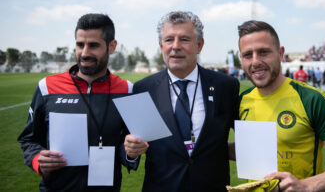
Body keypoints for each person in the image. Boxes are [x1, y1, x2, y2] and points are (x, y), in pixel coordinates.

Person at [17, 14, 148, 191]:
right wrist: (36, 159)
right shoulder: (47, 87)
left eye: (93, 45)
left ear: (111, 46)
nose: (85, 53)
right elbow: (29, 138)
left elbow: (130, 144)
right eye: (80, 45)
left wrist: (132, 152)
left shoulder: (127, 90)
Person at [236, 20, 325, 191]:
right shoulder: (242, 101)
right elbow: (253, 148)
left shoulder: (312, 99)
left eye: (263, 52)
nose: (255, 61)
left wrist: (305, 186)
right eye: (247, 55)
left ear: (280, 53)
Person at [124, 11, 240, 191]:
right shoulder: (143, 89)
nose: (175, 46)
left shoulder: (226, 86)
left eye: (184, 39)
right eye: (169, 40)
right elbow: (132, 147)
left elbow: (246, 138)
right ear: (161, 45)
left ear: (199, 45)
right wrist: (131, 152)